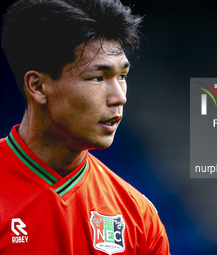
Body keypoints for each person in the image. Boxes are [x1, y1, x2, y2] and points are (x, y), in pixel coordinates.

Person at [0, 0, 170, 254]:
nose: (119, 97)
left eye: (122, 76)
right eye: (97, 77)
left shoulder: (138, 215)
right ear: (37, 86)